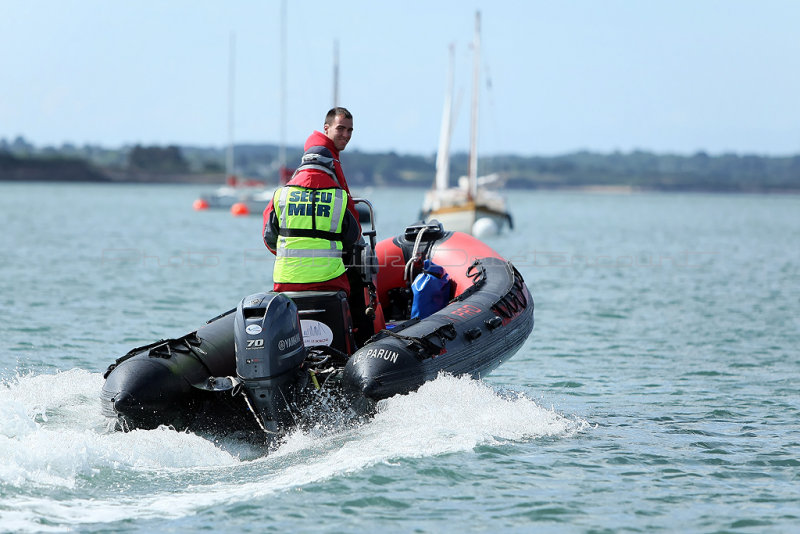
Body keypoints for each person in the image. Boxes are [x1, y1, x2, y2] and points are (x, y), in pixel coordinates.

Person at [262, 107, 360, 296]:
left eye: (350, 130)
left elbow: (269, 237)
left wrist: (291, 256)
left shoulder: (281, 194)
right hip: (329, 280)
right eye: (341, 129)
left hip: (285, 279)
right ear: (326, 128)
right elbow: (352, 236)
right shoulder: (337, 193)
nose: (346, 135)